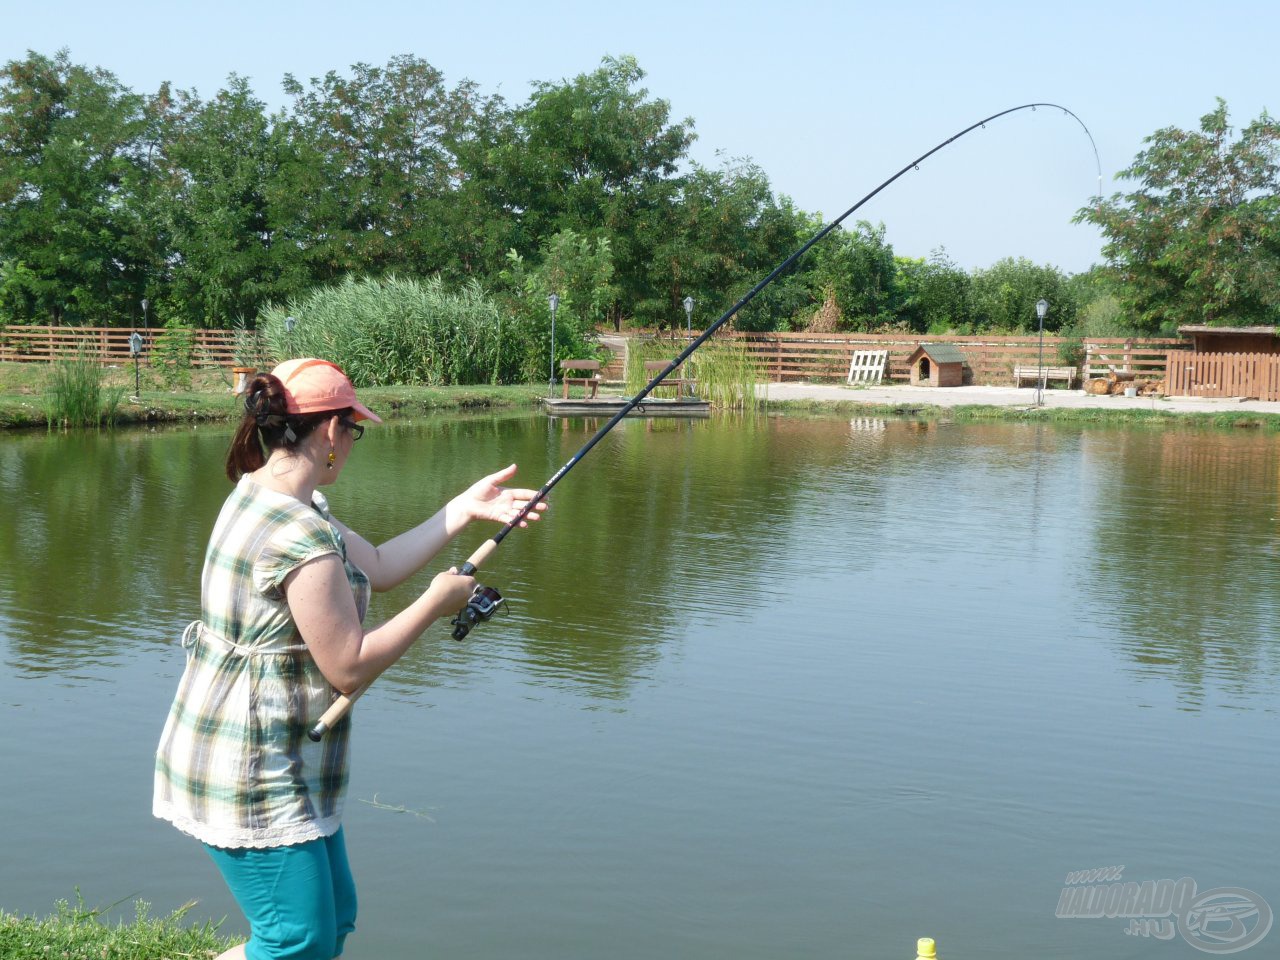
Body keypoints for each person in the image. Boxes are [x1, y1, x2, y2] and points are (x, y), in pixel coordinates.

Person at [153, 357, 545, 960]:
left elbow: (380, 567)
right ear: (332, 432)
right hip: (249, 762)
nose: (353, 443)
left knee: (332, 923)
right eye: (353, 429)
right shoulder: (297, 532)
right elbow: (348, 666)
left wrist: (464, 509)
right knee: (298, 940)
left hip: (272, 750)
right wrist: (435, 605)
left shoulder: (272, 495)